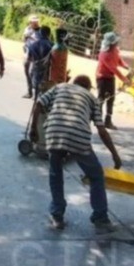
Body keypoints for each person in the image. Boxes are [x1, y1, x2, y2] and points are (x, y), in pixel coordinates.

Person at [33, 75, 123, 234]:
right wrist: (115, 155)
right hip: (78, 137)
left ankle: (57, 215)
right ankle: (100, 217)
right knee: (96, 175)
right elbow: (101, 130)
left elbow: (39, 103)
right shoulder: (93, 98)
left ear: (73, 83)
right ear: (88, 88)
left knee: (56, 173)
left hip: (54, 131)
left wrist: (34, 129)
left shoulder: (60, 87)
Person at [95, 31, 132, 129]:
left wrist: (127, 67)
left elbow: (119, 60)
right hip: (102, 77)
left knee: (111, 98)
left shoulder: (115, 50)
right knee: (101, 98)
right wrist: (125, 80)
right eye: (115, 42)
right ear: (111, 43)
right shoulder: (104, 54)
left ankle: (108, 121)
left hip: (110, 77)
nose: (116, 43)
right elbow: (113, 68)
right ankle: (98, 121)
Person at [27, 25, 54, 98]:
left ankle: (36, 100)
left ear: (40, 33)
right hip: (48, 71)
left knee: (37, 89)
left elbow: (29, 59)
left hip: (36, 69)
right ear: (49, 34)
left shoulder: (33, 45)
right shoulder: (52, 46)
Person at [21, 15, 41, 98]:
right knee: (27, 72)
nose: (35, 23)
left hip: (36, 55)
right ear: (30, 22)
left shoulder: (40, 31)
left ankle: (36, 92)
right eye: (33, 22)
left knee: (33, 73)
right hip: (27, 53)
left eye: (36, 22)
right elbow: (24, 39)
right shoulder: (27, 29)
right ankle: (29, 91)